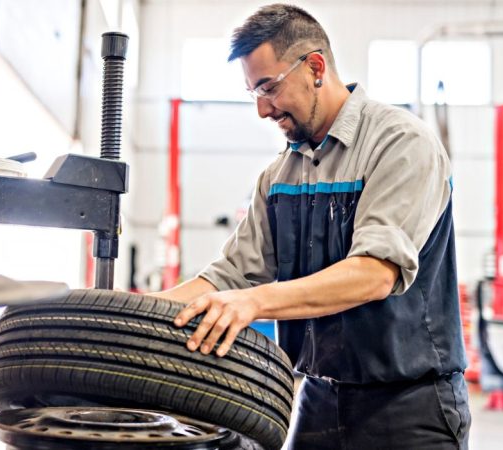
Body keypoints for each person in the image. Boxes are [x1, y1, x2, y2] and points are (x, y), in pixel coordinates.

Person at [153, 4, 470, 449]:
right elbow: (228, 277)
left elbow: (374, 272)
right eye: (253, 93)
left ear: (315, 67)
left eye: (269, 87)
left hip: (409, 404)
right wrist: (133, 313)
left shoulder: (401, 144)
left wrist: (253, 302)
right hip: (317, 397)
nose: (263, 109)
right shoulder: (278, 177)